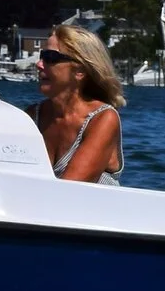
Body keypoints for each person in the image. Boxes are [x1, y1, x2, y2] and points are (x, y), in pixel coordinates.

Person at [33, 23, 124, 184]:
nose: (39, 64)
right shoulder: (33, 116)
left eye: (50, 58)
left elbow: (69, 191)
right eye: (42, 56)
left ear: (80, 71)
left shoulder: (103, 119)